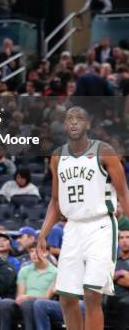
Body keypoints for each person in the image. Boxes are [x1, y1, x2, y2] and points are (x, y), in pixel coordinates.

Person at [38, 105, 129, 330]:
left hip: (100, 226)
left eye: (79, 118)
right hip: (73, 228)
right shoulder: (58, 156)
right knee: (67, 297)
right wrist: (43, 233)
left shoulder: (103, 150)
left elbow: (124, 193)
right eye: (69, 119)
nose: (74, 122)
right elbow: (55, 201)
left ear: (87, 124)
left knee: (91, 293)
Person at [0, 243, 57, 330]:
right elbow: (20, 295)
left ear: (46, 253)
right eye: (31, 251)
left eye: (37, 251)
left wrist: (30, 297)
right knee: (5, 303)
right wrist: (21, 298)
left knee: (28, 303)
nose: (34, 254)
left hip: (40, 306)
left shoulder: (55, 272)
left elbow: (47, 298)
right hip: (23, 304)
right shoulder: (24, 270)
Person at [106, 229, 129, 326]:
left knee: (124, 303)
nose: (124, 240)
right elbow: (105, 278)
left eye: (128, 238)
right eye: (121, 238)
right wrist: (121, 273)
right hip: (111, 295)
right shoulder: (113, 259)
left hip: (126, 297)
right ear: (118, 241)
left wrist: (114, 277)